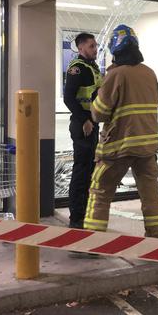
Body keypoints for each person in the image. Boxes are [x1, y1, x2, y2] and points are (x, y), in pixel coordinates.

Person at [83, 24, 158, 238]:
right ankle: (156, 236)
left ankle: (92, 240)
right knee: (150, 194)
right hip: (147, 146)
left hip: (119, 146)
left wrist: (96, 100)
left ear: (114, 50)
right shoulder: (149, 74)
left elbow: (99, 114)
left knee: (100, 191)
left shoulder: (115, 75)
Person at [63, 33, 101, 229]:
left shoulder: (93, 67)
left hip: (92, 124)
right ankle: (76, 219)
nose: (95, 49)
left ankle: (85, 214)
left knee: (89, 171)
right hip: (82, 124)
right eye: (91, 46)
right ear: (81, 48)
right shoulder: (77, 69)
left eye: (95, 46)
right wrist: (85, 120)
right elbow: (68, 98)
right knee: (81, 172)